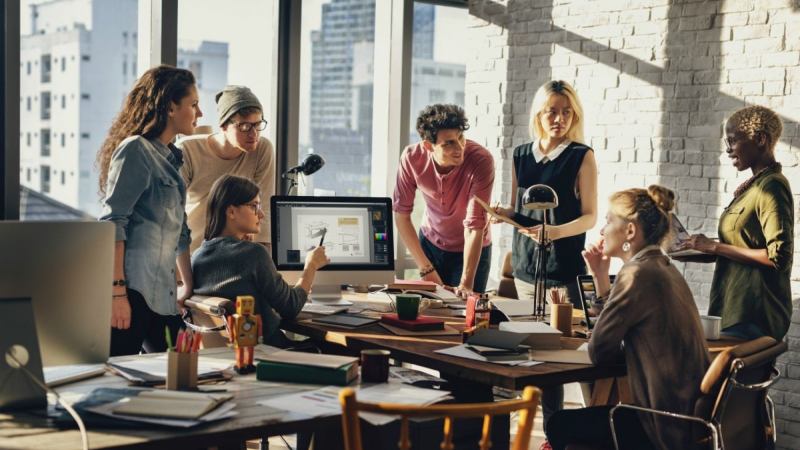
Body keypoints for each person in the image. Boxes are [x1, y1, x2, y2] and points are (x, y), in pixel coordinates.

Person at [547, 186, 709, 450]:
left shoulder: (636, 274)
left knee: (558, 424)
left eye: (609, 221)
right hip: (687, 418)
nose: (602, 230)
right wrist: (600, 277)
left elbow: (599, 351)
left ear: (630, 231)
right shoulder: (663, 267)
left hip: (660, 425)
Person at [491, 80, 597, 436]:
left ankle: (572, 434)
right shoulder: (521, 155)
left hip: (563, 269)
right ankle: (539, 434)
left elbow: (590, 216)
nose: (559, 119)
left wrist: (556, 232)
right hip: (524, 269)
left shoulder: (581, 155)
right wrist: (501, 214)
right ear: (539, 113)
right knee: (533, 357)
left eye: (567, 112)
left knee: (563, 358)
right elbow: (518, 209)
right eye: (552, 111)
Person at [97, 65, 201, 356]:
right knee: (117, 376)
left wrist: (187, 287)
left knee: (186, 366)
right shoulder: (136, 150)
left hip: (164, 297)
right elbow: (113, 222)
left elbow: (181, 232)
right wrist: (117, 294)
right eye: (193, 104)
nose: (200, 113)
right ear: (171, 107)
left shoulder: (173, 159)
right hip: (133, 294)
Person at [680, 106, 793, 341]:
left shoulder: (771, 186)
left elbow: (778, 257)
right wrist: (696, 249)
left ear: (760, 139)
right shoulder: (753, 187)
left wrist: (715, 246)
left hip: (753, 315)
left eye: (732, 140)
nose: (728, 149)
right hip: (733, 309)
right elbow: (742, 246)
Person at [191, 175, 329, 347]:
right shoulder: (253, 254)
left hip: (229, 355)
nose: (261, 214)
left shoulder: (197, 256)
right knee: (339, 348)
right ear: (231, 212)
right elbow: (291, 307)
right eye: (254, 206)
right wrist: (311, 265)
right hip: (271, 353)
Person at [393, 104, 494, 293]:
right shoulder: (411, 158)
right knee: (429, 306)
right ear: (428, 146)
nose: (459, 148)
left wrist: (466, 283)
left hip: (472, 248)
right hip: (431, 244)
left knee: (465, 308)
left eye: (461, 138)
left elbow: (474, 226)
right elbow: (401, 215)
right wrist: (426, 268)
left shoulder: (481, 160)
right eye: (449, 143)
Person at [177, 85, 275, 254]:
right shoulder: (188, 150)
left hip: (236, 255)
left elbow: (263, 208)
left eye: (258, 125)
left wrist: (263, 261)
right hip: (193, 252)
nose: (254, 134)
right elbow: (173, 213)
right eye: (245, 126)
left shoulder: (262, 149)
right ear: (223, 126)